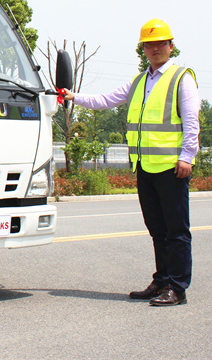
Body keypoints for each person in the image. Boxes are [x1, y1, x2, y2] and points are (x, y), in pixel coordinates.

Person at [62, 18, 199, 307]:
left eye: (160, 43)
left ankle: (177, 287)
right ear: (143, 50)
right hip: (144, 166)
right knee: (157, 229)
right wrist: (75, 97)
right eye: (149, 44)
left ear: (171, 46)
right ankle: (162, 281)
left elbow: (191, 122)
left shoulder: (181, 78)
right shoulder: (139, 81)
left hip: (172, 167)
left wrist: (187, 156)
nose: (155, 49)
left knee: (176, 231)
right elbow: (106, 99)